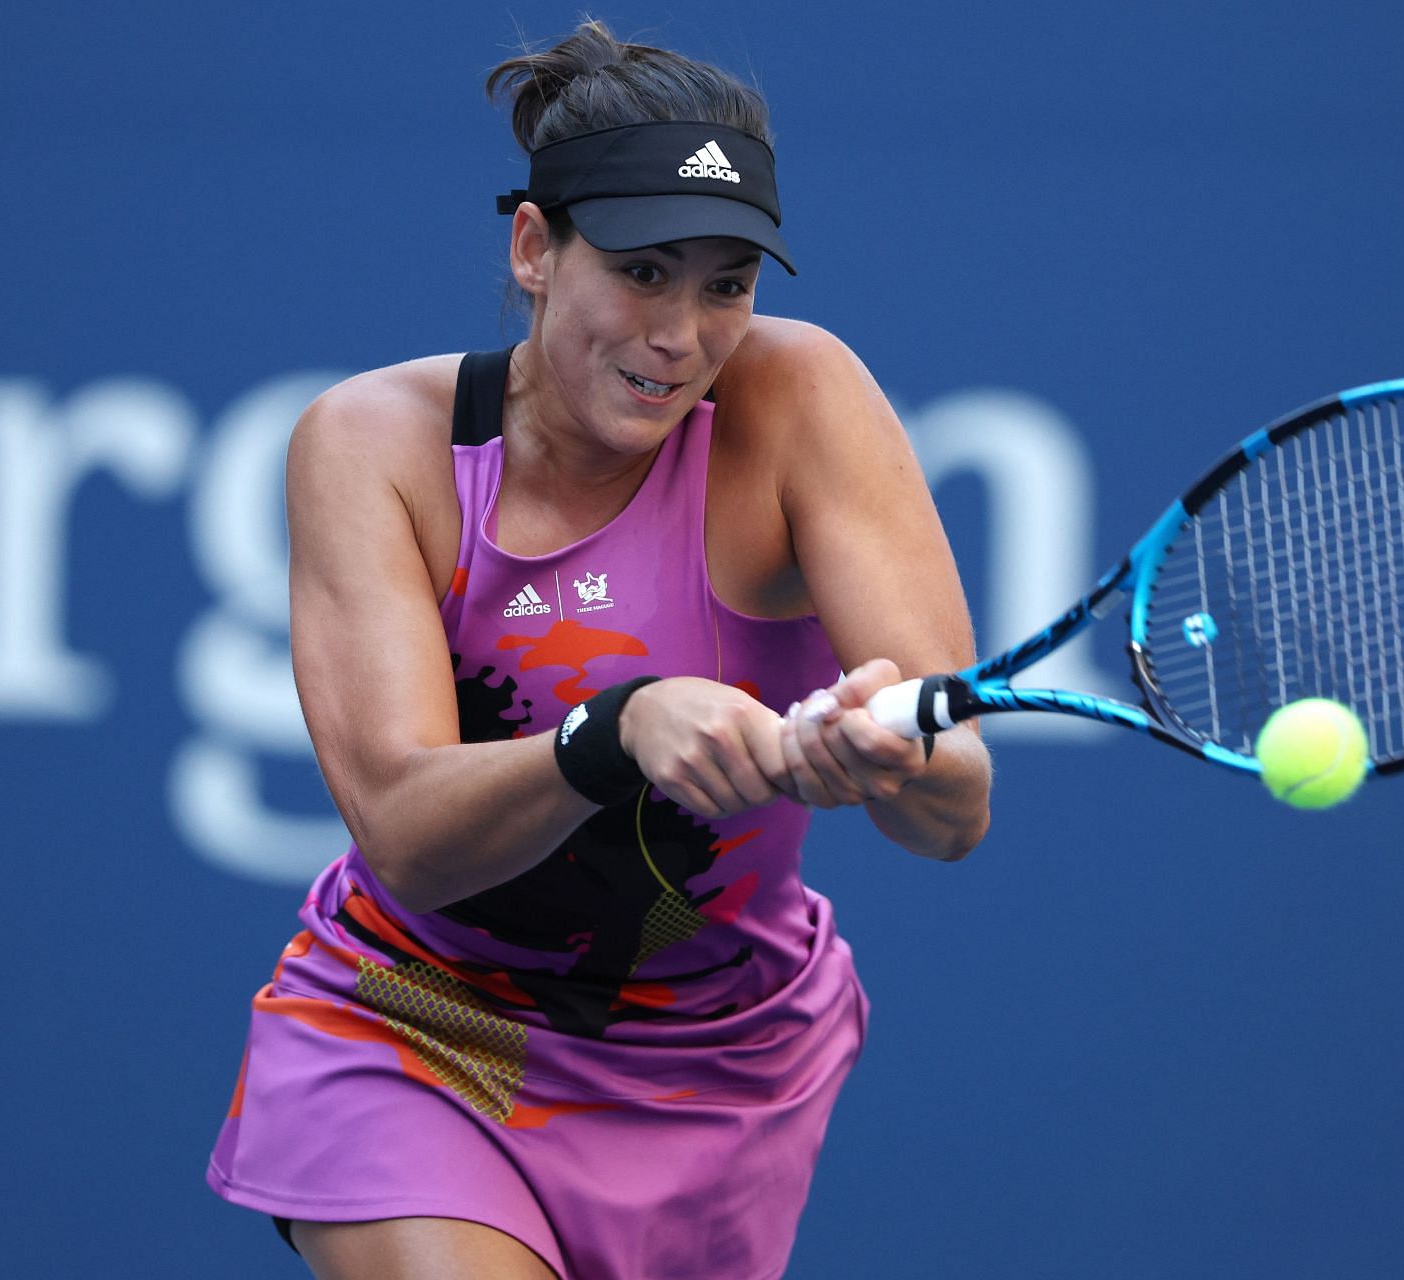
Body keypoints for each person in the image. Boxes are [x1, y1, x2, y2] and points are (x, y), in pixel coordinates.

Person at [204, 19, 991, 1280]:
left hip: (722, 1062)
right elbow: (406, 828)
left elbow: (956, 814)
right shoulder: (371, 447)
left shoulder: (801, 401)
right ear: (534, 249)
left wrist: (887, 751)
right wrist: (610, 732)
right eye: (643, 270)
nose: (682, 331)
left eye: (727, 282)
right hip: (427, 1015)